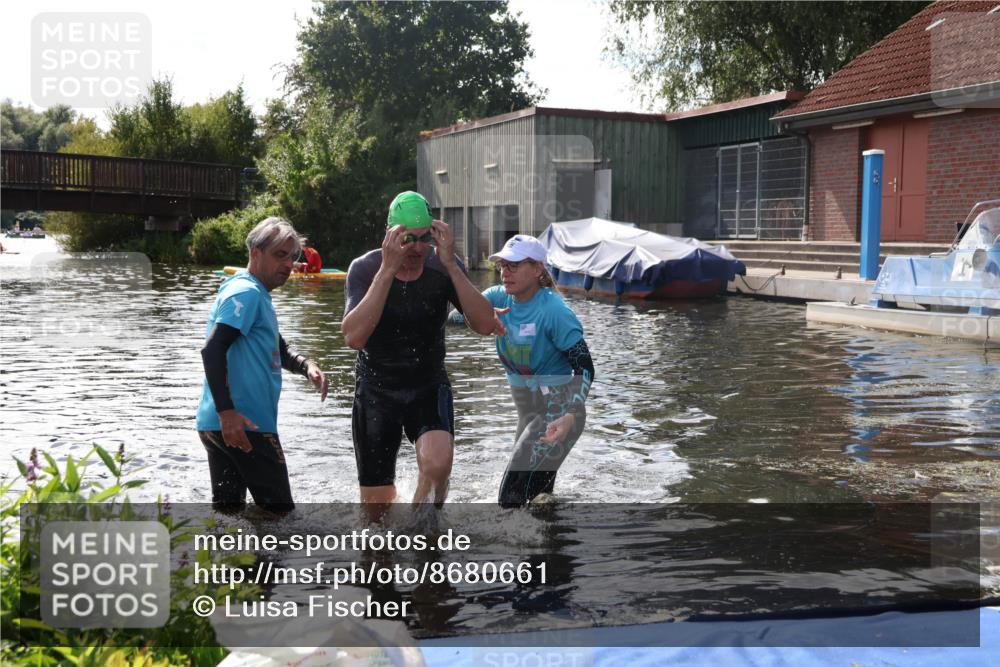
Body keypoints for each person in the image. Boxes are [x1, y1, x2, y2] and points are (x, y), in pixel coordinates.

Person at [341, 191, 495, 514]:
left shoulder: (443, 266)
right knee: (375, 517)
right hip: (376, 390)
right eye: (408, 239)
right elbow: (353, 337)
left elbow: (483, 325)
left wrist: (453, 266)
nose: (417, 248)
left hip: (428, 384)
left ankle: (421, 528)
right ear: (390, 237)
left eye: (425, 238)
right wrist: (387, 271)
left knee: (438, 466)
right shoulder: (365, 270)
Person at [196, 216, 328, 513]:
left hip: (216, 425)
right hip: (246, 425)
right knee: (281, 518)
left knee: (229, 517)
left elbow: (279, 349)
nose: (288, 265)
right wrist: (228, 413)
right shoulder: (247, 292)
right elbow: (213, 350)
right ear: (255, 253)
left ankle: (224, 561)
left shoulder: (254, 293)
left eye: (292, 258)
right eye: (279, 255)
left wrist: (306, 365)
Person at [482, 235, 595, 507]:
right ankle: (548, 544)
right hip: (529, 417)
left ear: (537, 269)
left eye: (514, 265)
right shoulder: (496, 298)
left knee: (510, 501)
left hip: (559, 415)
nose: (505, 272)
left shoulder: (555, 311)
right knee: (536, 501)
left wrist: (570, 416)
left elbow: (585, 367)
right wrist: (480, 316)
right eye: (502, 266)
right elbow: (454, 317)